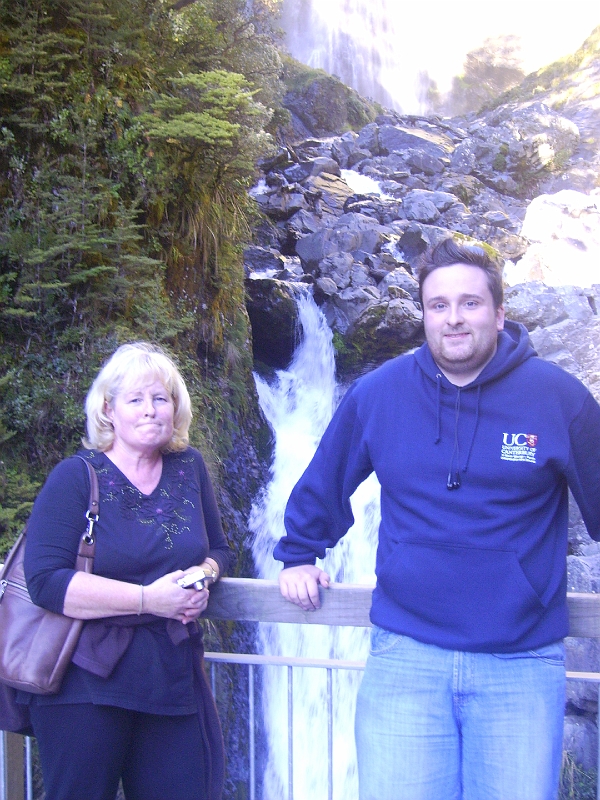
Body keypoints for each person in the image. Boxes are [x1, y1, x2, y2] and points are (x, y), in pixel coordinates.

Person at [274, 237, 600, 800]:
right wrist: (299, 553)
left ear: (499, 313)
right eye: (438, 305)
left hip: (520, 667)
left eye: (470, 303)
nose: (454, 319)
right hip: (405, 660)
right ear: (423, 314)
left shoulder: (558, 400)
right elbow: (324, 479)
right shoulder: (380, 393)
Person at [21, 342, 232, 800]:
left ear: (175, 408)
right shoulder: (76, 476)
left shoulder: (189, 468)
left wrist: (206, 574)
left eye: (160, 398)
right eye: (135, 399)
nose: (150, 410)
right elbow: (45, 581)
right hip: (86, 681)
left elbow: (219, 548)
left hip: (171, 675)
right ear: (108, 410)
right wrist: (148, 599)